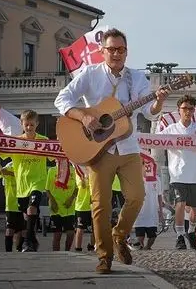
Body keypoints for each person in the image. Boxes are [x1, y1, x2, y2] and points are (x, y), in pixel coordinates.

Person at [54, 28, 170, 274]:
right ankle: (104, 256)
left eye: (121, 50)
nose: (116, 54)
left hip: (128, 147)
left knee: (137, 196)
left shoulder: (137, 79)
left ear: (127, 52)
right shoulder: (90, 74)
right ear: (102, 51)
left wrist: (158, 100)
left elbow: (149, 111)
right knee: (100, 205)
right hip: (98, 150)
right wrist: (84, 116)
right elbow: (62, 99)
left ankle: (120, 235)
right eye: (112, 49)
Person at [158, 94, 196, 250]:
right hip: (178, 174)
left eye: (191, 109)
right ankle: (180, 236)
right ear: (179, 110)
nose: (188, 111)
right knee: (180, 204)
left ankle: (191, 231)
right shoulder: (172, 129)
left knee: (195, 209)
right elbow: (154, 139)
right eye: (185, 108)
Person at [2, 109, 49, 252]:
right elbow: (1, 152)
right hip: (22, 186)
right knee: (27, 215)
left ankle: (28, 242)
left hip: (38, 181)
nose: (29, 128)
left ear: (37, 124)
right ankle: (32, 238)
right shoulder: (16, 142)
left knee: (32, 208)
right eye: (26, 125)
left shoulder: (44, 141)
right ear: (22, 124)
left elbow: (55, 155)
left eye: (32, 125)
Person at [132, 152, 163, 250]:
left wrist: (161, 212)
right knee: (140, 236)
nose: (146, 167)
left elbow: (159, 196)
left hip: (152, 213)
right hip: (140, 213)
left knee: (152, 236)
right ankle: (141, 247)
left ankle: (147, 248)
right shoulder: (135, 179)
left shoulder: (156, 179)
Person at [45, 163, 77, 251]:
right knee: (57, 234)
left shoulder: (73, 170)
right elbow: (47, 189)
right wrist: (52, 201)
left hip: (69, 207)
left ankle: (67, 252)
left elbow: (77, 187)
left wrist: (71, 199)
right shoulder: (52, 170)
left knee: (70, 233)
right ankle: (56, 254)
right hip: (56, 207)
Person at [0, 161, 24, 252]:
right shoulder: (9, 165)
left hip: (23, 203)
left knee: (22, 231)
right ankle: (8, 252)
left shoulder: (23, 164)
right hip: (10, 205)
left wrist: (9, 173)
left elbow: (23, 176)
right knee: (9, 230)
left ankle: (19, 249)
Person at [73, 167, 94, 253]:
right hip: (81, 205)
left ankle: (92, 246)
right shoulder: (79, 171)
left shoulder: (93, 170)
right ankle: (78, 248)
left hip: (93, 204)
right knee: (80, 228)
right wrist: (86, 177)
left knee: (95, 228)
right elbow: (82, 185)